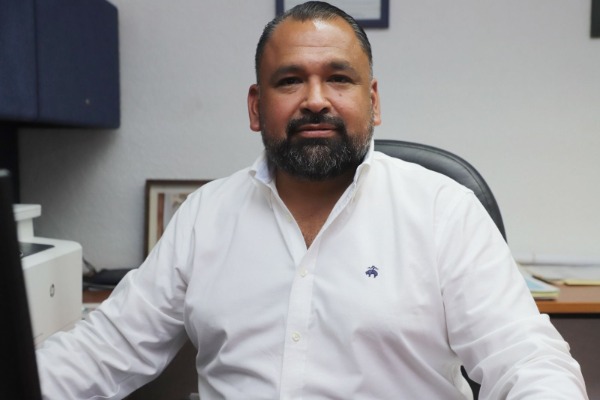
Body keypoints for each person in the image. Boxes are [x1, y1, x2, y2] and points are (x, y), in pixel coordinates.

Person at [37, 2, 588, 399]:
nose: (316, 100)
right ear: (256, 107)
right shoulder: (205, 217)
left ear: (373, 102)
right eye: (290, 81)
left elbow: (525, 357)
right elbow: (103, 351)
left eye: (339, 79)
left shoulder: (444, 211)